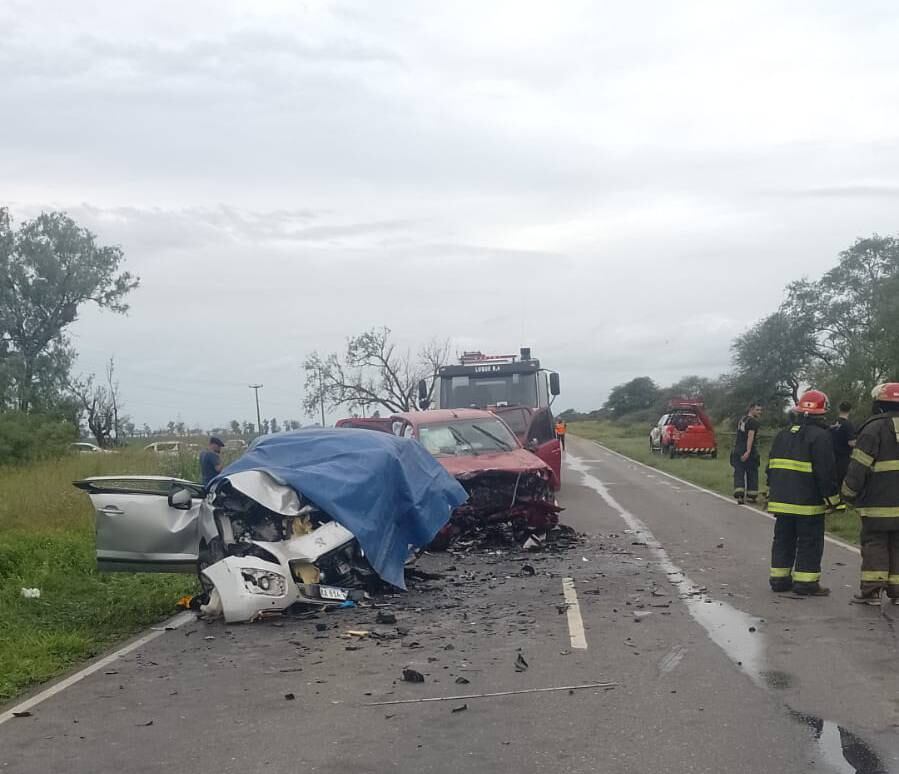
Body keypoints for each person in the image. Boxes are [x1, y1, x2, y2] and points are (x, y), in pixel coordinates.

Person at [766, 390, 840, 596]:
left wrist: (772, 491)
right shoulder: (821, 436)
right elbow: (825, 472)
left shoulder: (783, 434)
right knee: (809, 541)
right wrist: (834, 500)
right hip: (808, 502)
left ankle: (779, 580)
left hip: (781, 500)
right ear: (822, 413)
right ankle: (806, 583)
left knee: (782, 539)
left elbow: (770, 466)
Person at [840, 383, 899, 605]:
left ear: (880, 404)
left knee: (875, 543)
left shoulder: (873, 428)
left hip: (878, 502)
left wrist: (847, 493)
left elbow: (859, 467)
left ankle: (872, 591)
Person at [732, 402, 763, 504]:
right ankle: (751, 496)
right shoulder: (753, 422)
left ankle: (739, 495)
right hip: (748, 451)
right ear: (751, 409)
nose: (760, 412)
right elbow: (750, 437)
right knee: (752, 472)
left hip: (737, 450)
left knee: (739, 472)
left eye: (760, 410)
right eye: (757, 410)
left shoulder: (742, 420)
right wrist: (748, 451)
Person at [830, 401, 857, 502]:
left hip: (832, 456)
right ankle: (843, 500)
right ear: (850, 410)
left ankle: (833, 500)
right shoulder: (848, 425)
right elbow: (851, 443)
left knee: (834, 479)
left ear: (839, 409)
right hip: (844, 457)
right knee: (843, 480)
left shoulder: (833, 423)